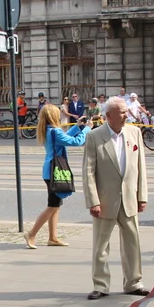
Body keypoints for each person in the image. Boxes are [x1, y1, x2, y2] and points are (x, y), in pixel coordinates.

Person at [83, 96, 149, 300]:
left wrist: (142, 196)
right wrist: (92, 200)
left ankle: (134, 282)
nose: (126, 115)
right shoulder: (95, 136)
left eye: (126, 111)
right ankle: (100, 285)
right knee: (101, 246)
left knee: (132, 242)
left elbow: (140, 167)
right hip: (104, 201)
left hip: (129, 198)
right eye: (122, 112)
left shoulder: (134, 132)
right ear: (108, 116)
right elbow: (88, 171)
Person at [23, 104, 89, 249]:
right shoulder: (54, 131)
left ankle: (52, 237)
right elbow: (76, 141)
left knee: (56, 205)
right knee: (52, 206)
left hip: (50, 170)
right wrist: (87, 129)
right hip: (54, 171)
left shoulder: (49, 130)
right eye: (57, 114)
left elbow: (65, 137)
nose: (59, 116)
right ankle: (31, 234)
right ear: (53, 116)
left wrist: (78, 127)